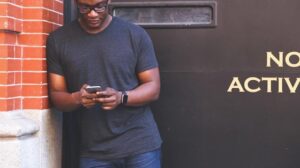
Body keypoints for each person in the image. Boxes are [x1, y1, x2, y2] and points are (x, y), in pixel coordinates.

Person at [46, 0, 162, 167]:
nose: (92, 14)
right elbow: (57, 95)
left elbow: (153, 87)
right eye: (84, 7)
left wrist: (121, 97)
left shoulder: (134, 34)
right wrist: (77, 98)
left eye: (99, 6)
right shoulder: (59, 40)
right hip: (94, 151)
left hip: (140, 145)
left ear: (108, 2)